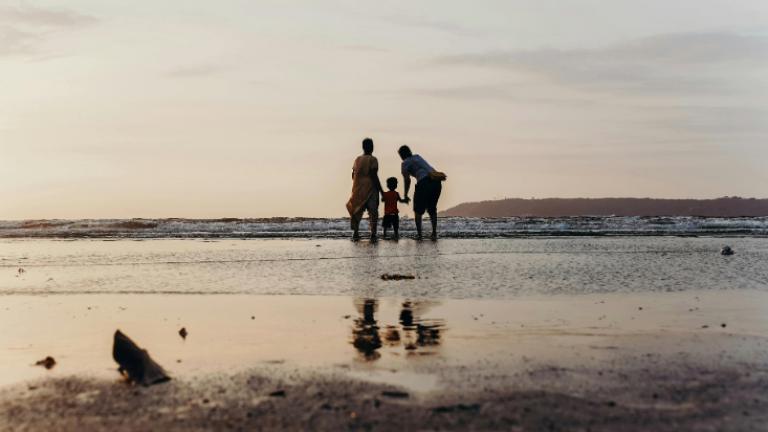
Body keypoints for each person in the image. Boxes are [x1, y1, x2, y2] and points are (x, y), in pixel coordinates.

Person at [398, 145, 443, 240]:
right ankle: (434, 233)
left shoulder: (405, 163)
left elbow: (407, 180)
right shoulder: (417, 157)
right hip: (436, 182)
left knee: (418, 210)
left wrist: (405, 195)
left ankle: (419, 235)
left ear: (401, 155)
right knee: (432, 208)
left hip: (423, 182)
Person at [346, 138, 384, 241]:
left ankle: (356, 232)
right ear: (372, 147)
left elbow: (353, 175)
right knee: (373, 212)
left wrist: (357, 186)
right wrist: (381, 191)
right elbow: (374, 176)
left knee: (357, 211)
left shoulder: (357, 159)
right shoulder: (373, 160)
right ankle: (373, 234)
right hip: (370, 188)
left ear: (363, 147)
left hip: (358, 188)